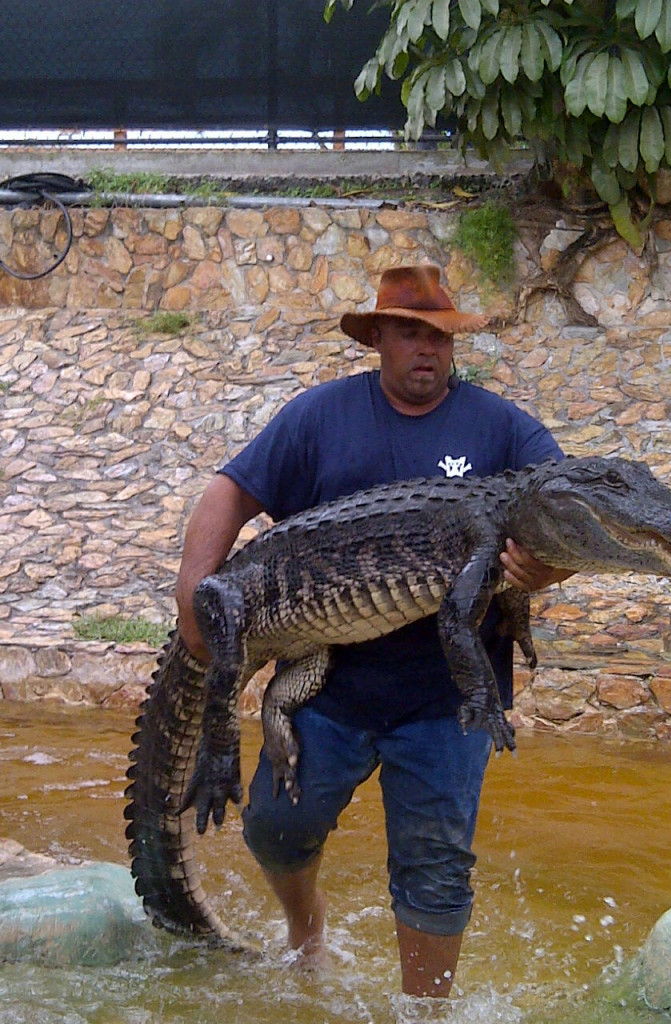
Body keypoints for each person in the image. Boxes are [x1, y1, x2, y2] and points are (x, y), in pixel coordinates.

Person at [175, 264, 570, 998]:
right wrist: (194, 588)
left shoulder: (502, 426)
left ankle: (425, 1013)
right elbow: (230, 488)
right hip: (333, 683)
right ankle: (306, 930)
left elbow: (566, 514)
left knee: (435, 863)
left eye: (440, 336)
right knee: (274, 829)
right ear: (379, 338)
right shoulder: (319, 416)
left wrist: (546, 572)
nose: (427, 349)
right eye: (411, 333)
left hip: (447, 693)